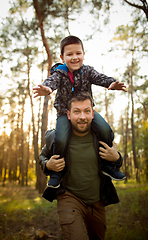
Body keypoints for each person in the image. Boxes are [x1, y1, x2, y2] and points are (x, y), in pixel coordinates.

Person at [33, 35, 126, 188]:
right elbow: (51, 81)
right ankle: (57, 171)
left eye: (78, 53)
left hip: (87, 112)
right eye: (69, 54)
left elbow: (100, 77)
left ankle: (108, 165)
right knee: (61, 139)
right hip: (65, 113)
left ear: (83, 54)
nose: (74, 57)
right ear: (63, 57)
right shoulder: (60, 73)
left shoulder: (87, 71)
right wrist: (47, 88)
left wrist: (111, 83)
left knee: (105, 129)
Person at [39, 92, 123, 240]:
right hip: (69, 197)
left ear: (93, 114)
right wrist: (48, 164)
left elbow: (115, 160)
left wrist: (117, 158)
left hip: (97, 201)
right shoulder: (56, 137)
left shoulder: (101, 137)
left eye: (86, 111)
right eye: (77, 111)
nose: (82, 116)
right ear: (69, 115)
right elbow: (42, 157)